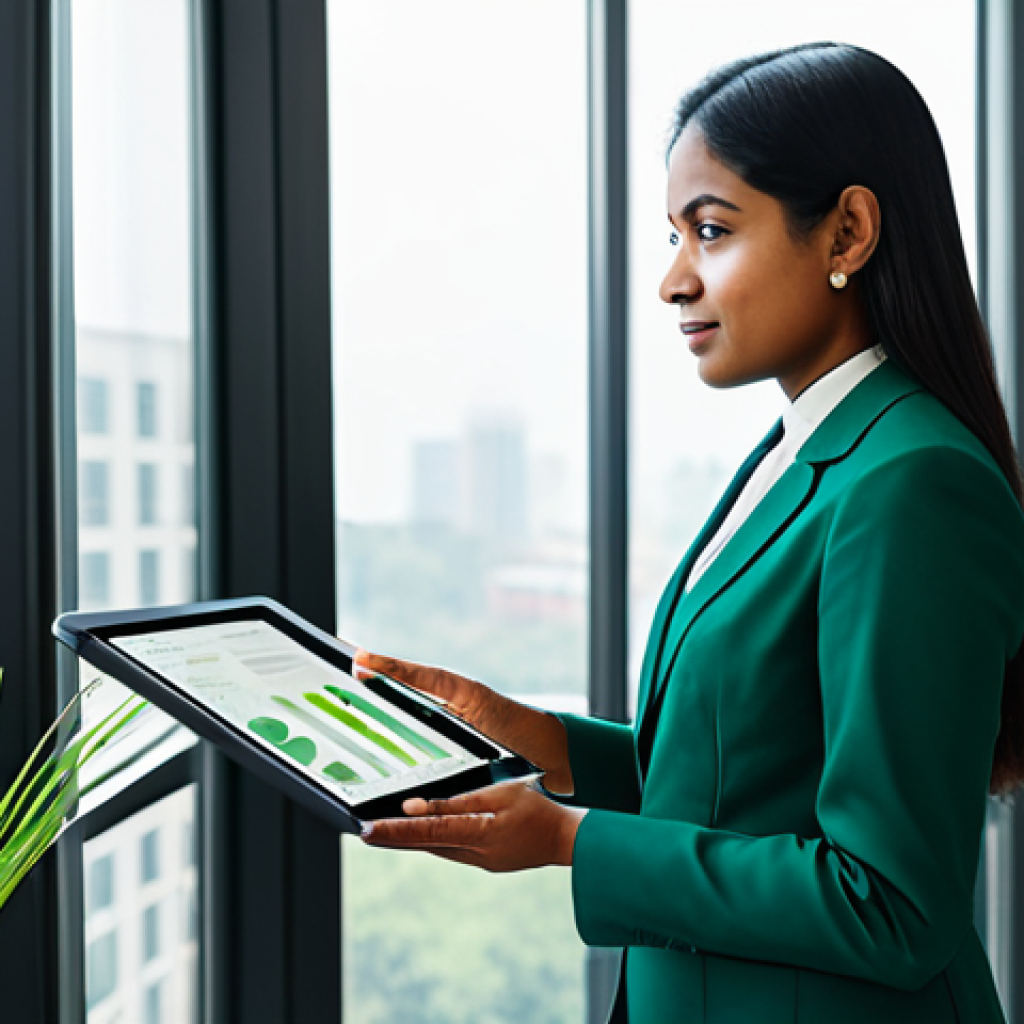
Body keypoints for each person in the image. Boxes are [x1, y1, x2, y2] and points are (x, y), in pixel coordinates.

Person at [354, 42, 1024, 1023]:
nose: (672, 281)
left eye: (709, 231)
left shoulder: (912, 482)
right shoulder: (799, 448)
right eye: (674, 236)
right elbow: (748, 778)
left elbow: (889, 902)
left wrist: (571, 840)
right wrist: (538, 739)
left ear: (846, 233)